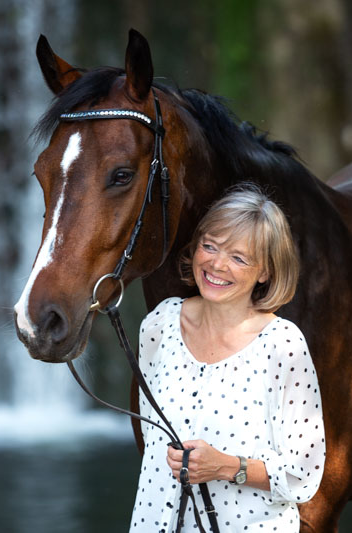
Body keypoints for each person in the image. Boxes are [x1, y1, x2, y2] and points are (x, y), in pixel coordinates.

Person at [129, 184, 325, 533]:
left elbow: (304, 475)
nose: (217, 264)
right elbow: (151, 439)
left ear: (265, 271)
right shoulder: (160, 325)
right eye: (209, 246)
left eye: (238, 257)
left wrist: (226, 466)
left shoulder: (282, 345)